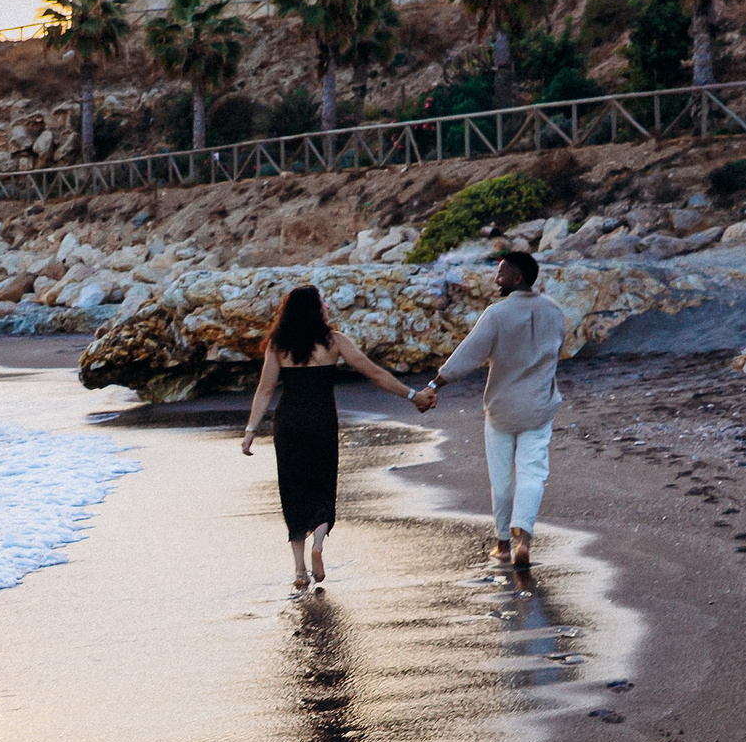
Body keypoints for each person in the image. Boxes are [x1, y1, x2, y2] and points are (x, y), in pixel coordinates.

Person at [240, 285, 424, 590]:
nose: (327, 306)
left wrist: (250, 431)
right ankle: (319, 545)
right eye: (323, 302)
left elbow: (265, 390)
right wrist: (412, 394)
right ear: (316, 309)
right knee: (323, 485)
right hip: (322, 422)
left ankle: (300, 571)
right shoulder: (334, 341)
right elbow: (373, 372)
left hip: (289, 425)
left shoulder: (277, 345)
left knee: (293, 490)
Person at [412, 249, 565, 571]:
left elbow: (467, 355)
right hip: (538, 406)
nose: (497, 279)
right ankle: (524, 539)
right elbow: (554, 354)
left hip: (502, 408)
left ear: (517, 278)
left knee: (502, 478)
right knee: (533, 473)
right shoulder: (554, 311)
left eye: (501, 273)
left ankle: (503, 543)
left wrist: (434, 386)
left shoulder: (497, 314)